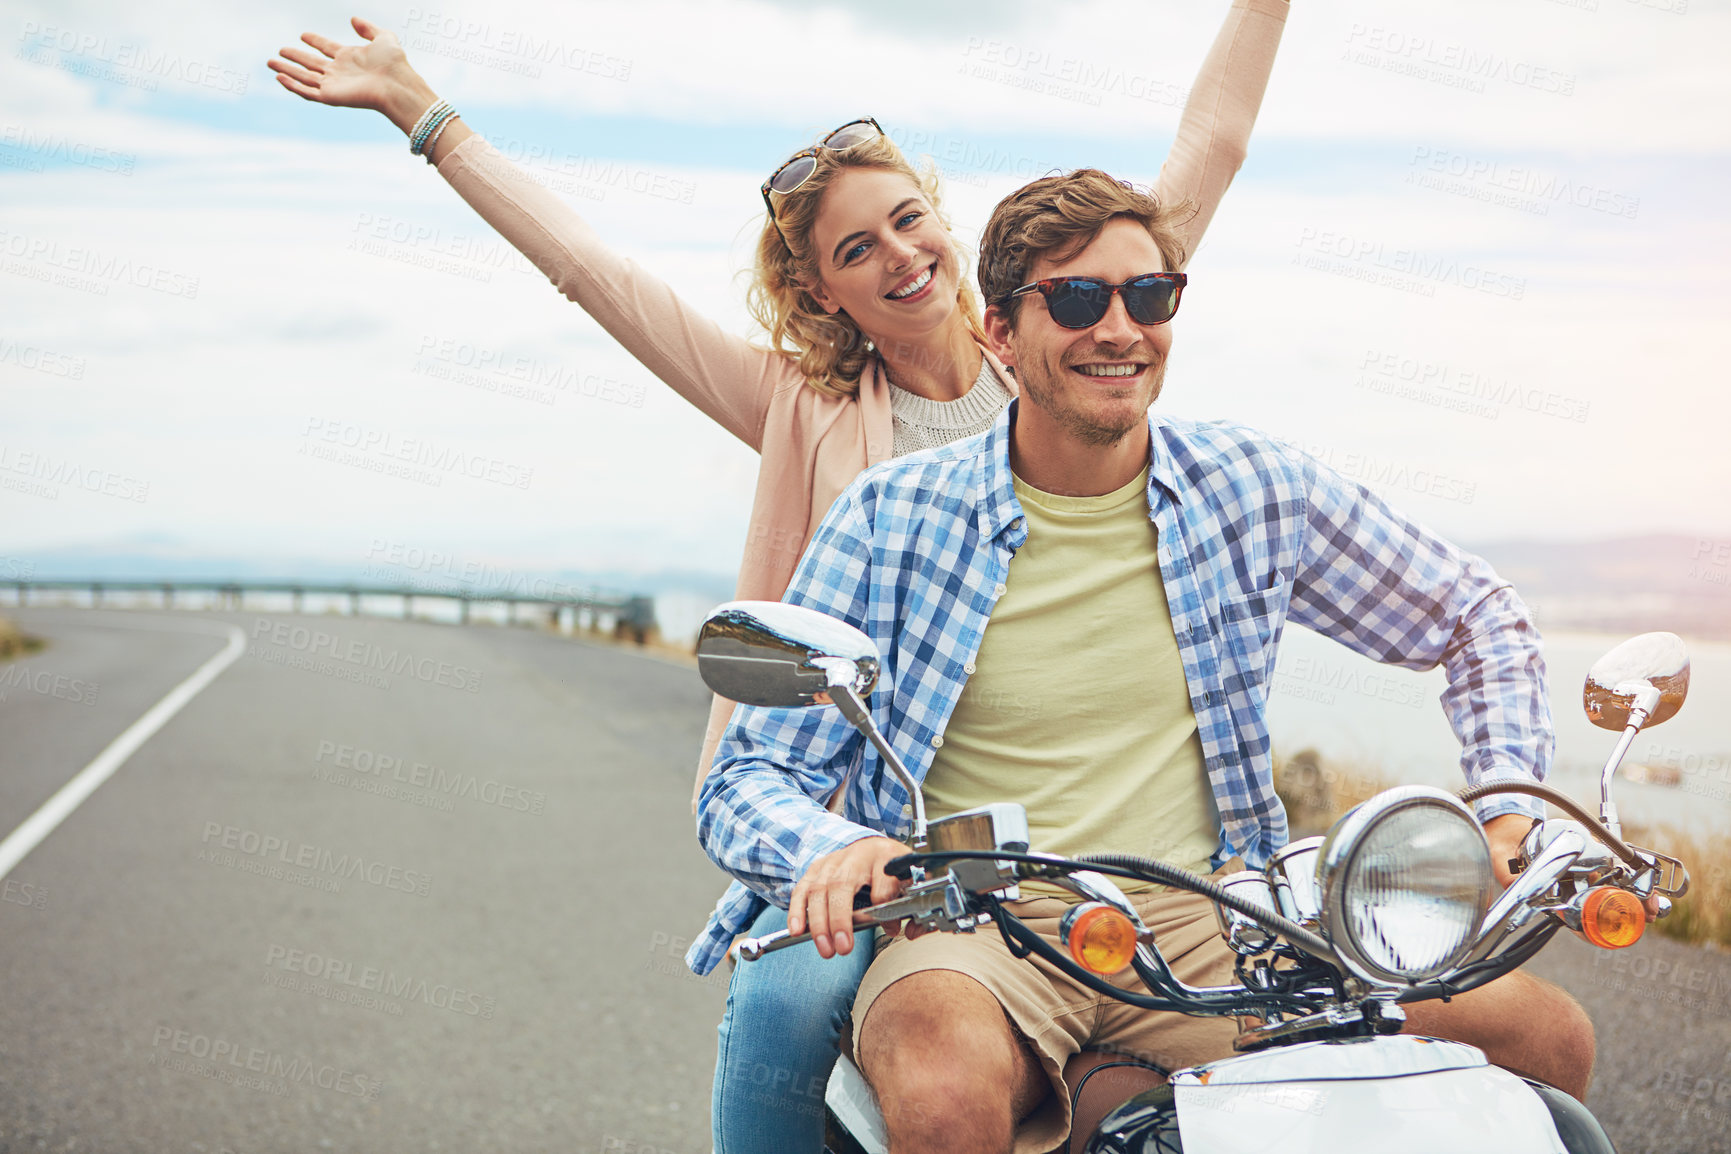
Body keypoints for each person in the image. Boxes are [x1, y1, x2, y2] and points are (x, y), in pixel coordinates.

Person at [267, 5, 1292, 1148]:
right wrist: (424, 110)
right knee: (787, 995)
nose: (900, 257)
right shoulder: (797, 409)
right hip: (873, 837)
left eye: (909, 221)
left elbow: (1212, 146)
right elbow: (591, 274)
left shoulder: (1070, 328)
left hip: (1088, 835)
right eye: (858, 250)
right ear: (822, 294)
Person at [692, 168, 1599, 1154]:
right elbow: (748, 775)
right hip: (977, 925)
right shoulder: (889, 514)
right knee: (943, 1090)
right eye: (1077, 299)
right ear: (1000, 331)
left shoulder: (1251, 484)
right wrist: (835, 850)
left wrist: (1509, 805)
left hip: (1210, 916)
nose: (1118, 327)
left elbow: (1477, 612)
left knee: (1543, 1034)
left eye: (1149, 295)